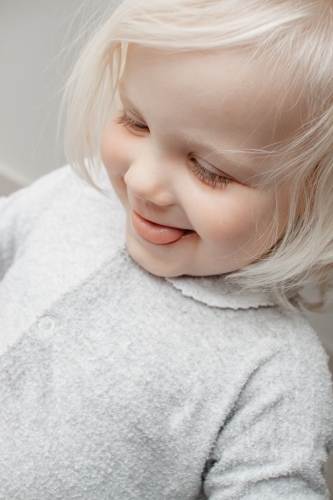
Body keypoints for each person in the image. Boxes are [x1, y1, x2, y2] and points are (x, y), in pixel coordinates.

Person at [1, 0, 333, 498]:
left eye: (210, 170)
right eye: (135, 122)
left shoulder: (275, 372)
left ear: (313, 204)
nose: (141, 182)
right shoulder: (80, 188)